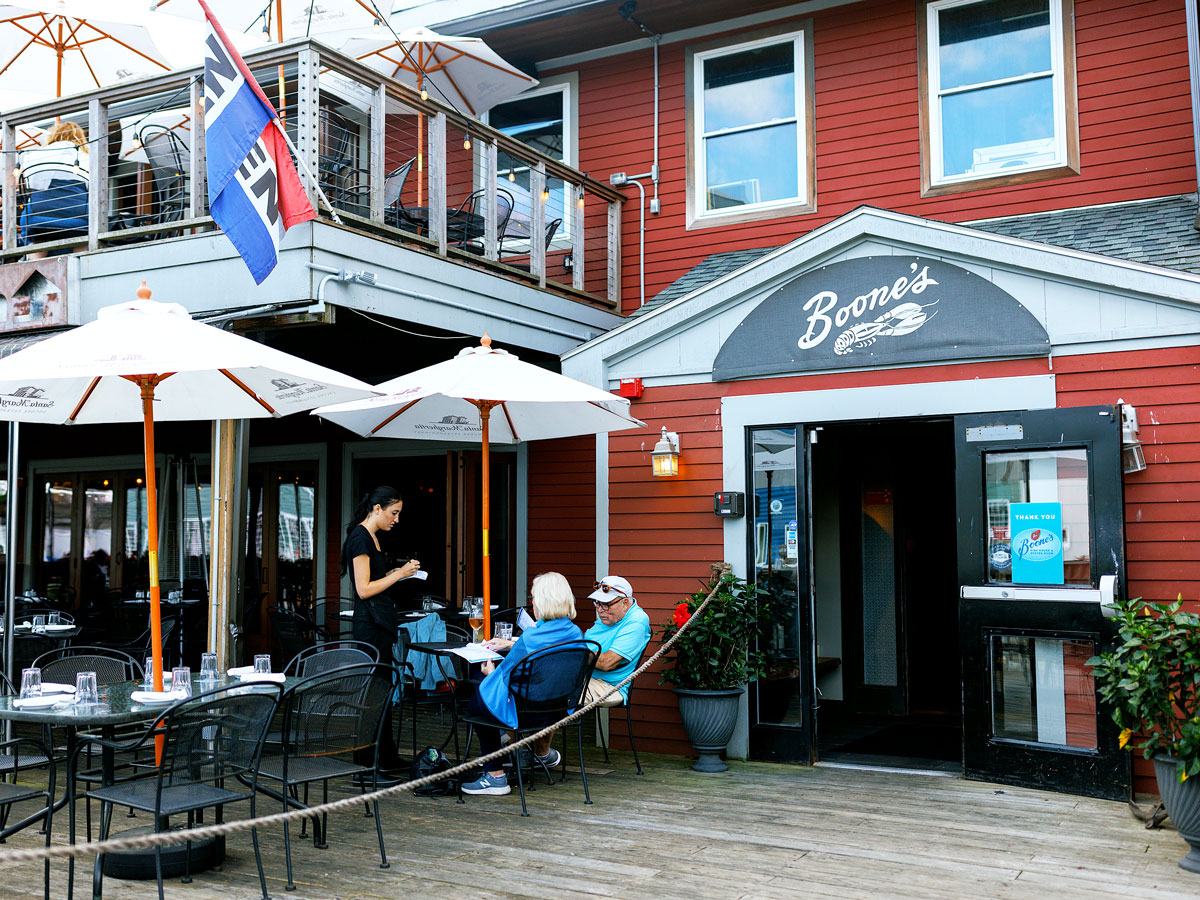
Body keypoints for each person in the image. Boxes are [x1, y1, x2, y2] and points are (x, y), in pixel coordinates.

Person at [460, 571, 582, 796]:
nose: (532, 602)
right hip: (557, 711)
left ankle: (495, 775)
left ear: (543, 601)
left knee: (478, 701)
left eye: (534, 597)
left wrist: (490, 671)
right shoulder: (575, 633)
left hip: (526, 712)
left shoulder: (530, 638)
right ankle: (514, 752)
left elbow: (502, 678)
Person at [342, 485, 421, 777]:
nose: (396, 519)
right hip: (369, 626)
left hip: (380, 623)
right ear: (377, 509)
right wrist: (399, 574)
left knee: (383, 691)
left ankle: (385, 757)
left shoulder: (372, 537)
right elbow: (363, 590)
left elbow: (374, 581)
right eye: (394, 513)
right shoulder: (360, 539)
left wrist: (396, 574)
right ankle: (369, 764)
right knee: (373, 693)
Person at [18, 120, 90, 256]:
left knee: (39, 239)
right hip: (78, 216)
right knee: (81, 240)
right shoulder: (86, 157)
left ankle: (35, 269)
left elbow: (24, 185)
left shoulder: (35, 155)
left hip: (38, 214)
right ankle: (81, 270)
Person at [582, 575, 651, 708]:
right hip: (586, 678)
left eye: (606, 604)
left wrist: (577, 651)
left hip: (611, 686)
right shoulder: (608, 618)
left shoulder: (637, 621)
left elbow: (607, 663)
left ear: (625, 603)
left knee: (555, 691)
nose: (600, 609)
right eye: (597, 603)